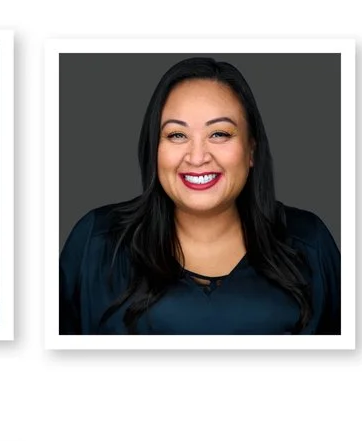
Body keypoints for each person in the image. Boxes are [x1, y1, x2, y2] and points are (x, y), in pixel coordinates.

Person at [57, 58, 340, 337]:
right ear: (153, 149)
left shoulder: (309, 245)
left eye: (219, 134)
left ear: (251, 149)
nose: (197, 157)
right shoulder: (97, 244)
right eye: (176, 135)